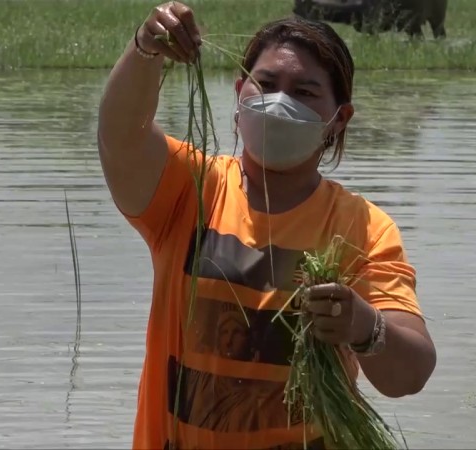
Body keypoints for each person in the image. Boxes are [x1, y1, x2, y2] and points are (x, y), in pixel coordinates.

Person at [96, 2, 437, 448]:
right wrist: (145, 49)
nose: (281, 102)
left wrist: (362, 325)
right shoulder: (190, 190)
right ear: (240, 92)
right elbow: (120, 134)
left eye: (305, 92)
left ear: (339, 121)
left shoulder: (363, 228)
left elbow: (410, 373)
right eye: (267, 83)